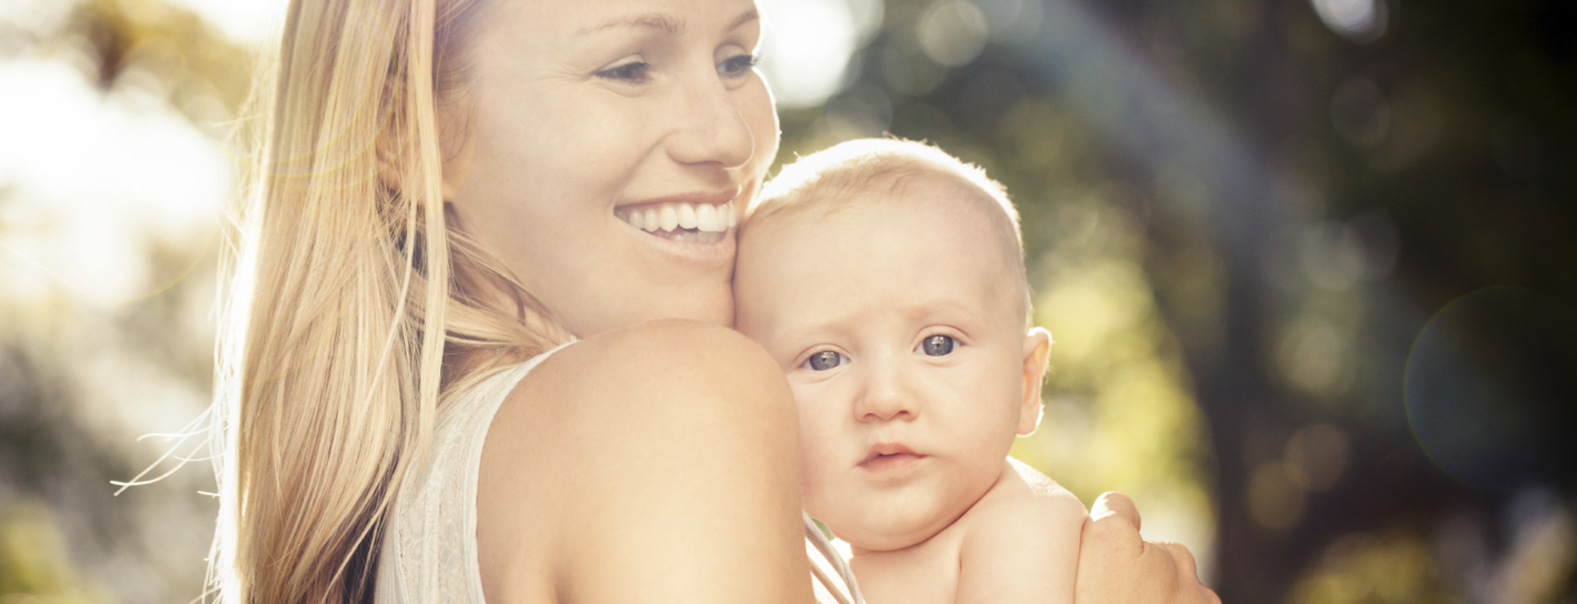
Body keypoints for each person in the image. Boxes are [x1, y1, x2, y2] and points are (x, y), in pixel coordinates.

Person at [206, 0, 1223, 602]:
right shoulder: (673, 403)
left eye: (736, 57)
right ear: (401, 130)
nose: (727, 135)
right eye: (628, 65)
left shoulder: (418, 507)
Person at [735, 139, 1086, 603]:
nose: (883, 399)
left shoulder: (1021, 525)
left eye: (937, 345)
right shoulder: (805, 567)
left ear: (1024, 384)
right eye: (824, 359)